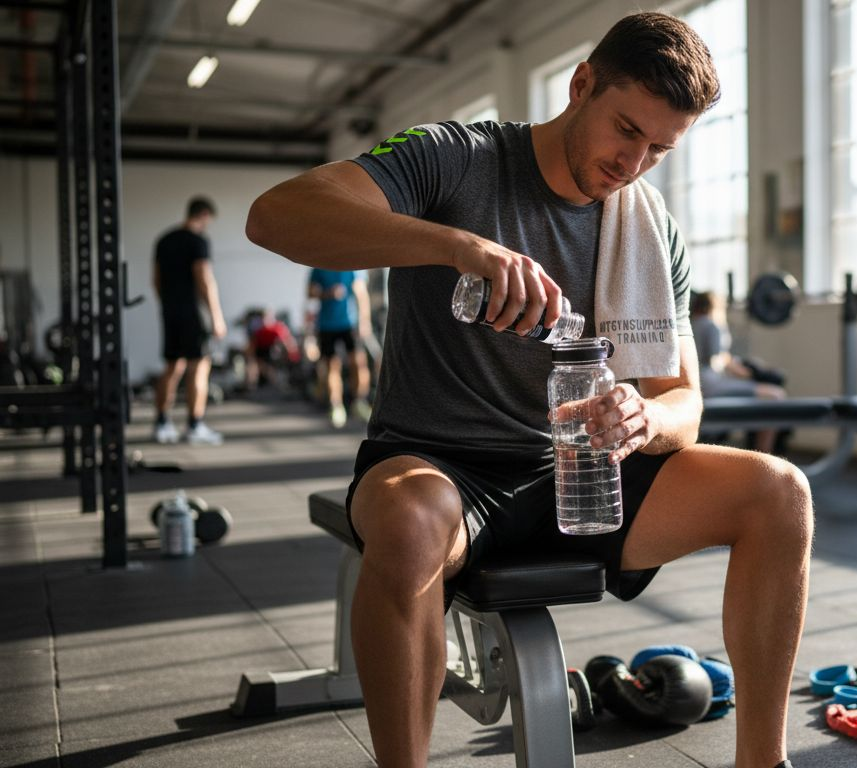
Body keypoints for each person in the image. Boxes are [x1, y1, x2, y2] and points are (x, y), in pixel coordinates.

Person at [246, 13, 809, 768]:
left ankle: (763, 763)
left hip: (580, 471)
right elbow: (274, 216)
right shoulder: (454, 157)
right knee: (409, 521)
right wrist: (457, 247)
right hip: (442, 467)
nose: (633, 164)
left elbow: (685, 402)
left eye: (659, 150)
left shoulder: (649, 228)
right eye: (626, 130)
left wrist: (643, 416)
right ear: (581, 85)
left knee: (779, 491)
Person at [152, 196, 226, 445]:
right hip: (194, 314)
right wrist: (216, 316)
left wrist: (169, 305)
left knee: (172, 366)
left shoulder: (164, 240)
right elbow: (204, 279)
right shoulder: (198, 241)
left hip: (170, 311)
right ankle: (195, 425)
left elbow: (156, 280)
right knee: (199, 366)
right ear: (204, 215)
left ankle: (162, 423)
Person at [690, 290, 788, 453]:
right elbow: (716, 360)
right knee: (775, 396)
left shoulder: (690, 324)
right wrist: (748, 372)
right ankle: (764, 455)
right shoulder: (711, 326)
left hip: (696, 383)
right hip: (710, 386)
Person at [308, 268, 373, 427]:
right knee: (332, 366)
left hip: (350, 323)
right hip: (327, 326)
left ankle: (359, 401)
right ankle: (336, 405)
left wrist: (364, 321)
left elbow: (361, 294)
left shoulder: (353, 266)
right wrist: (327, 293)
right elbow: (310, 292)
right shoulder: (319, 267)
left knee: (358, 363)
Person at [241, 306, 299, 392]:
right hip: (260, 353)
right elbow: (252, 346)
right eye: (263, 318)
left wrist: (292, 355)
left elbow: (288, 343)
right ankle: (250, 384)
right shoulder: (258, 331)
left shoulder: (278, 328)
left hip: (274, 353)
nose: (265, 320)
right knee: (252, 364)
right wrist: (250, 358)